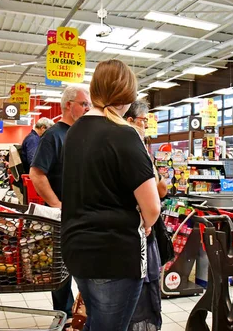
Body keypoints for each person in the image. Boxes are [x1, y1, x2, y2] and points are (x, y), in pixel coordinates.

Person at [62, 60, 161, 331]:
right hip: (114, 255)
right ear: (127, 95)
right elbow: (152, 209)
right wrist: (144, 219)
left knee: (96, 321)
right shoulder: (125, 135)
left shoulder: (74, 131)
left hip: (77, 250)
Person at [30, 84, 91, 320]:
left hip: (82, 214)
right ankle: (63, 317)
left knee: (80, 267)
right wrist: (56, 204)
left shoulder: (81, 134)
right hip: (62, 217)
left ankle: (78, 315)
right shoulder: (54, 135)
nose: (87, 108)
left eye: (88, 104)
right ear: (69, 105)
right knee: (62, 271)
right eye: (83, 104)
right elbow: (37, 174)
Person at [125, 100, 164, 331]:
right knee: (139, 291)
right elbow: (158, 192)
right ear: (130, 120)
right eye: (143, 121)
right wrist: (148, 222)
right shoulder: (136, 150)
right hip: (138, 231)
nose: (146, 126)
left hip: (132, 231)